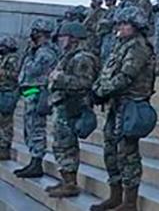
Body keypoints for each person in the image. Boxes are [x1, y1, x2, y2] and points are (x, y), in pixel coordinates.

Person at [90, 6, 155, 211]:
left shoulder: (138, 47)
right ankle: (115, 196)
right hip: (115, 105)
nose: (120, 28)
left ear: (136, 26)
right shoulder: (121, 45)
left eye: (125, 24)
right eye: (119, 24)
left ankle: (129, 202)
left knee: (127, 155)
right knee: (111, 152)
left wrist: (101, 90)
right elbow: (108, 73)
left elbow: (126, 76)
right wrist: (98, 88)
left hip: (130, 106)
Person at [46, 22, 99, 198]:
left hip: (71, 106)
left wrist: (59, 78)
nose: (60, 40)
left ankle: (70, 183)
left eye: (63, 36)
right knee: (60, 145)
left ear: (73, 37)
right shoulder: (69, 56)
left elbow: (84, 83)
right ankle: (65, 179)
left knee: (67, 146)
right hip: (62, 105)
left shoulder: (82, 58)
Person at [14, 18, 58, 178]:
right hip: (30, 90)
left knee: (36, 126)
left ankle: (37, 161)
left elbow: (33, 70)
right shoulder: (36, 50)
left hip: (38, 91)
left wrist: (30, 55)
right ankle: (33, 159)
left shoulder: (45, 52)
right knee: (29, 125)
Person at [0, 36, 20, 161]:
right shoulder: (4, 58)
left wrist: (2, 72)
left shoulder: (13, 59)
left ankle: (4, 148)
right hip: (2, 91)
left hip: (8, 92)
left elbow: (16, 75)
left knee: (6, 123)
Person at [97, 0, 118, 66]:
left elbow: (113, 22)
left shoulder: (115, 10)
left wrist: (104, 22)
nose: (106, 2)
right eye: (106, 0)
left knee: (106, 55)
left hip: (110, 35)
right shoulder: (107, 11)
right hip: (104, 35)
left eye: (109, 0)